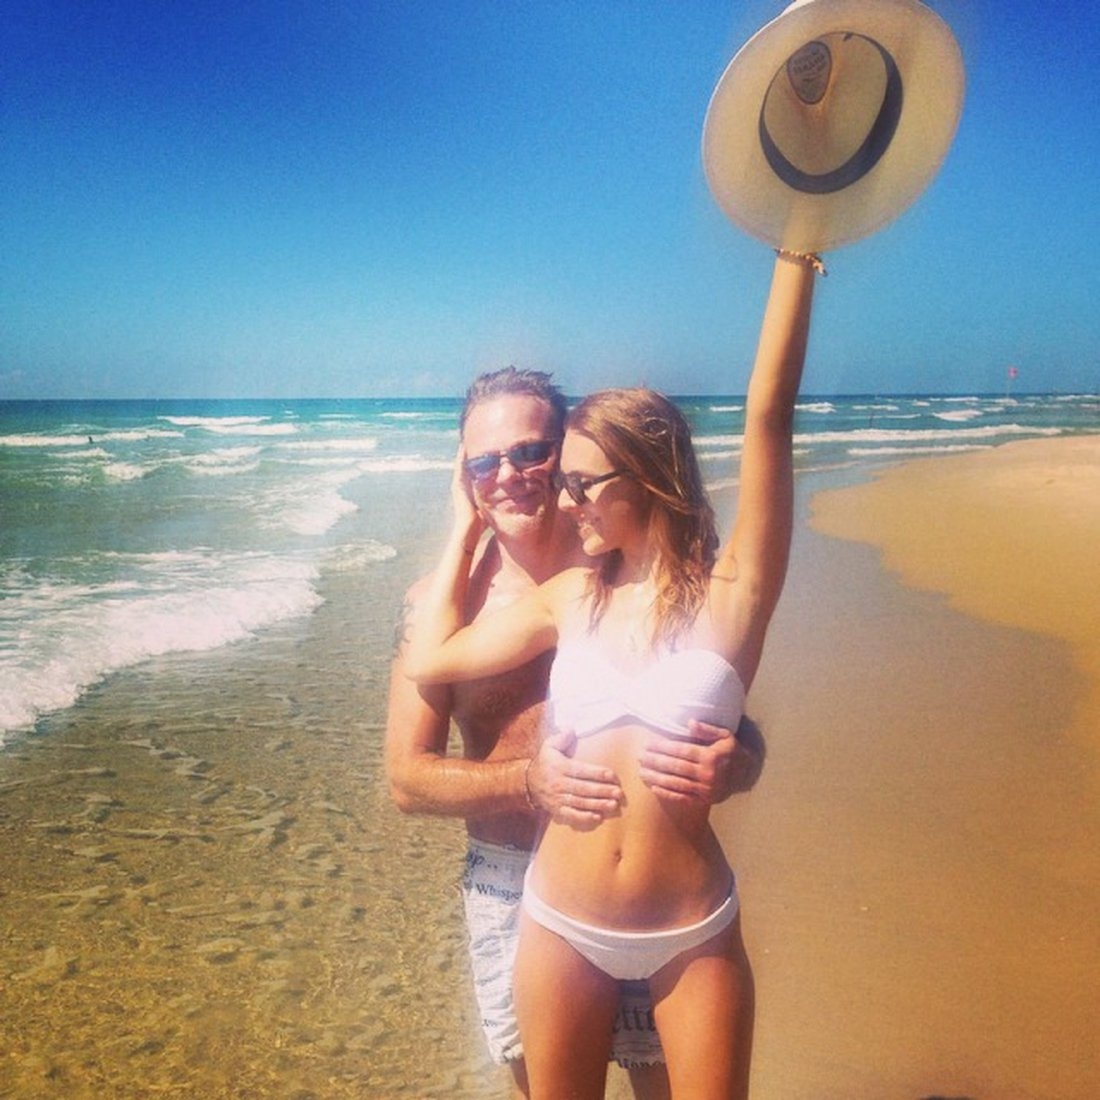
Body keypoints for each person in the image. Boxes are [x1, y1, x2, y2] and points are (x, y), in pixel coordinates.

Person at [404, 248, 818, 1098]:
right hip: (557, 920)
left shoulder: (735, 596)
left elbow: (769, 417)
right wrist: (460, 531)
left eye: (578, 482)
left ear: (648, 478)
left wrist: (798, 254)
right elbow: (429, 660)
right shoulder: (569, 597)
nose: (564, 501)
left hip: (690, 928)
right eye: (562, 484)